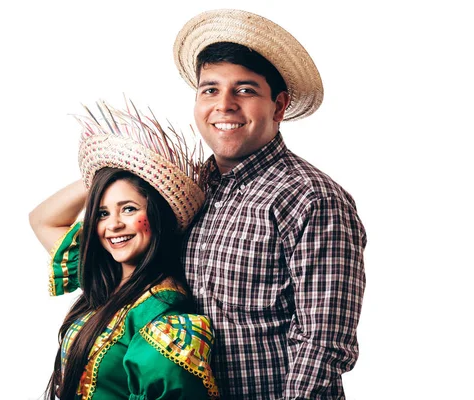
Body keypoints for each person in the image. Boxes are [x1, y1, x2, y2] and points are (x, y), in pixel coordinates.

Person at [173, 9, 367, 399]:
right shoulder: (186, 190)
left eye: (245, 90)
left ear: (279, 106)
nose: (224, 104)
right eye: (210, 89)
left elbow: (323, 344)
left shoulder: (312, 199)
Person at [29, 102, 219, 400]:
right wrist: (110, 169)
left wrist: (132, 170)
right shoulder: (105, 278)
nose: (113, 225)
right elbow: (42, 219)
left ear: (157, 216)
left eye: (128, 209)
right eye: (102, 213)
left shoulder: (162, 316)